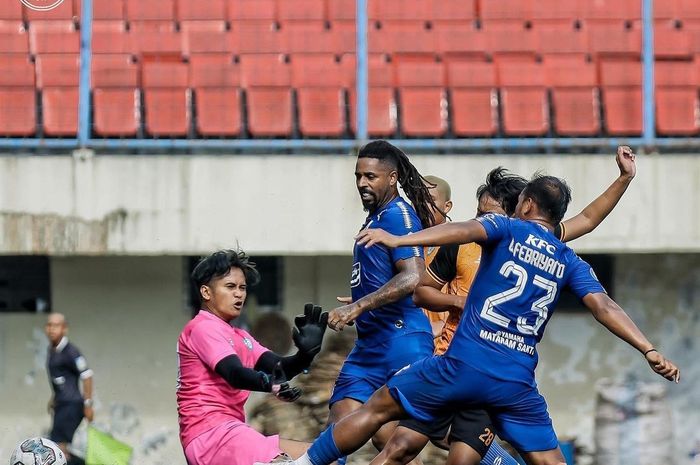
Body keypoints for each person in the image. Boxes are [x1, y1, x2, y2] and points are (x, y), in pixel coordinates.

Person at [265, 173, 679, 465]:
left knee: (379, 408)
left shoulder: (505, 229)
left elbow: (459, 229)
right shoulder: (567, 256)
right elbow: (604, 302)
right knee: (539, 460)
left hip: (460, 367)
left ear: (527, 204)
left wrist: (401, 239)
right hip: (515, 382)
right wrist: (648, 348)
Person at [374, 146, 639, 465]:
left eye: (491, 214)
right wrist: (460, 300)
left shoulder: (531, 240)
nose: (483, 221)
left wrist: (624, 178)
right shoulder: (462, 242)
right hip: (450, 361)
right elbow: (421, 293)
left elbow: (588, 218)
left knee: (462, 459)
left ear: (518, 211)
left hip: (493, 373)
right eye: (479, 213)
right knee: (396, 443)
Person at [324, 140, 441, 459]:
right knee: (338, 432)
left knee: (411, 440)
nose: (362, 183)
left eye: (370, 177)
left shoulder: (398, 215)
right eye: (358, 176)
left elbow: (412, 275)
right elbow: (388, 274)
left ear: (391, 178)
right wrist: (361, 293)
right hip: (369, 347)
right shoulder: (374, 218)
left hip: (402, 341)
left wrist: (357, 306)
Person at [177, 249, 328, 465]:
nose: (239, 294)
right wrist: (269, 384)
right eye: (230, 287)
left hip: (232, 433)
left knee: (326, 457)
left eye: (242, 288)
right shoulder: (202, 327)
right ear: (206, 292)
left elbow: (279, 367)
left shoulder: (240, 336)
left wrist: (305, 354)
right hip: (211, 436)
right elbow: (234, 373)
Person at [45, 312, 94, 464]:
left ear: (64, 329)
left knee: (58, 450)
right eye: (49, 325)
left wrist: (88, 404)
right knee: (58, 448)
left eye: (56, 325)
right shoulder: (52, 350)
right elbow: (60, 379)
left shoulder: (71, 352)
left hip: (71, 405)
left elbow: (87, 375)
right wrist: (54, 398)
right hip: (61, 404)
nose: (52, 329)